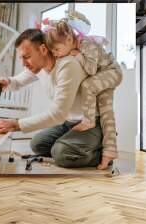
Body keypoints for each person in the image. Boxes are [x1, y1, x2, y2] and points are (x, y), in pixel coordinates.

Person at [0, 29, 103, 168]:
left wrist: (16, 124)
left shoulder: (68, 65)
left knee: (62, 154)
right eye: (21, 58)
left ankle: (100, 152)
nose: (23, 63)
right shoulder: (40, 67)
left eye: (26, 57)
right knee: (37, 144)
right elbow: (18, 82)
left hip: (91, 123)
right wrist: (7, 81)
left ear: (43, 49)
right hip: (68, 122)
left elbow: (58, 114)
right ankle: (71, 144)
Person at [42, 12, 123, 169]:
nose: (56, 54)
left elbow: (92, 69)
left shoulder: (87, 44)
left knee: (90, 89)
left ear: (69, 39)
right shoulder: (71, 43)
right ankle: (108, 153)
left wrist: (78, 55)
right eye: (53, 52)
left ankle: (89, 121)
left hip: (112, 71)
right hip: (103, 73)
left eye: (57, 50)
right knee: (106, 112)